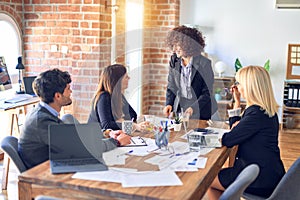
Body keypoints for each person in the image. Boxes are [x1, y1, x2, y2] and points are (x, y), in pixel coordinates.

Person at [18, 68, 131, 169]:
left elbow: (74, 136)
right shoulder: (42, 120)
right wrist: (116, 142)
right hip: (45, 173)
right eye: (68, 89)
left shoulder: (45, 112)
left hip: (57, 162)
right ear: (58, 96)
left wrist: (106, 134)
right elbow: (81, 148)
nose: (71, 92)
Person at [207, 66, 285, 199]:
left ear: (249, 86)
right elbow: (237, 131)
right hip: (269, 173)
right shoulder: (264, 110)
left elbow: (229, 139)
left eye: (238, 83)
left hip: (259, 178)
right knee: (218, 180)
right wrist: (237, 101)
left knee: (207, 180)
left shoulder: (255, 114)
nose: (236, 86)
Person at [163, 25, 217, 120]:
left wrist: (193, 108)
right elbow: (171, 86)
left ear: (188, 44)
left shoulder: (204, 63)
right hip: (181, 106)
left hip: (201, 108)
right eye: (173, 45)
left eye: (178, 45)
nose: (175, 49)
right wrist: (169, 103)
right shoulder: (174, 60)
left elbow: (207, 93)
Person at [88, 64, 147, 131]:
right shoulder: (103, 97)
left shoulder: (118, 95)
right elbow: (107, 125)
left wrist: (121, 121)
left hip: (112, 137)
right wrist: (133, 125)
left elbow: (133, 115)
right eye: (126, 77)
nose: (129, 78)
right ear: (118, 80)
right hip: (96, 138)